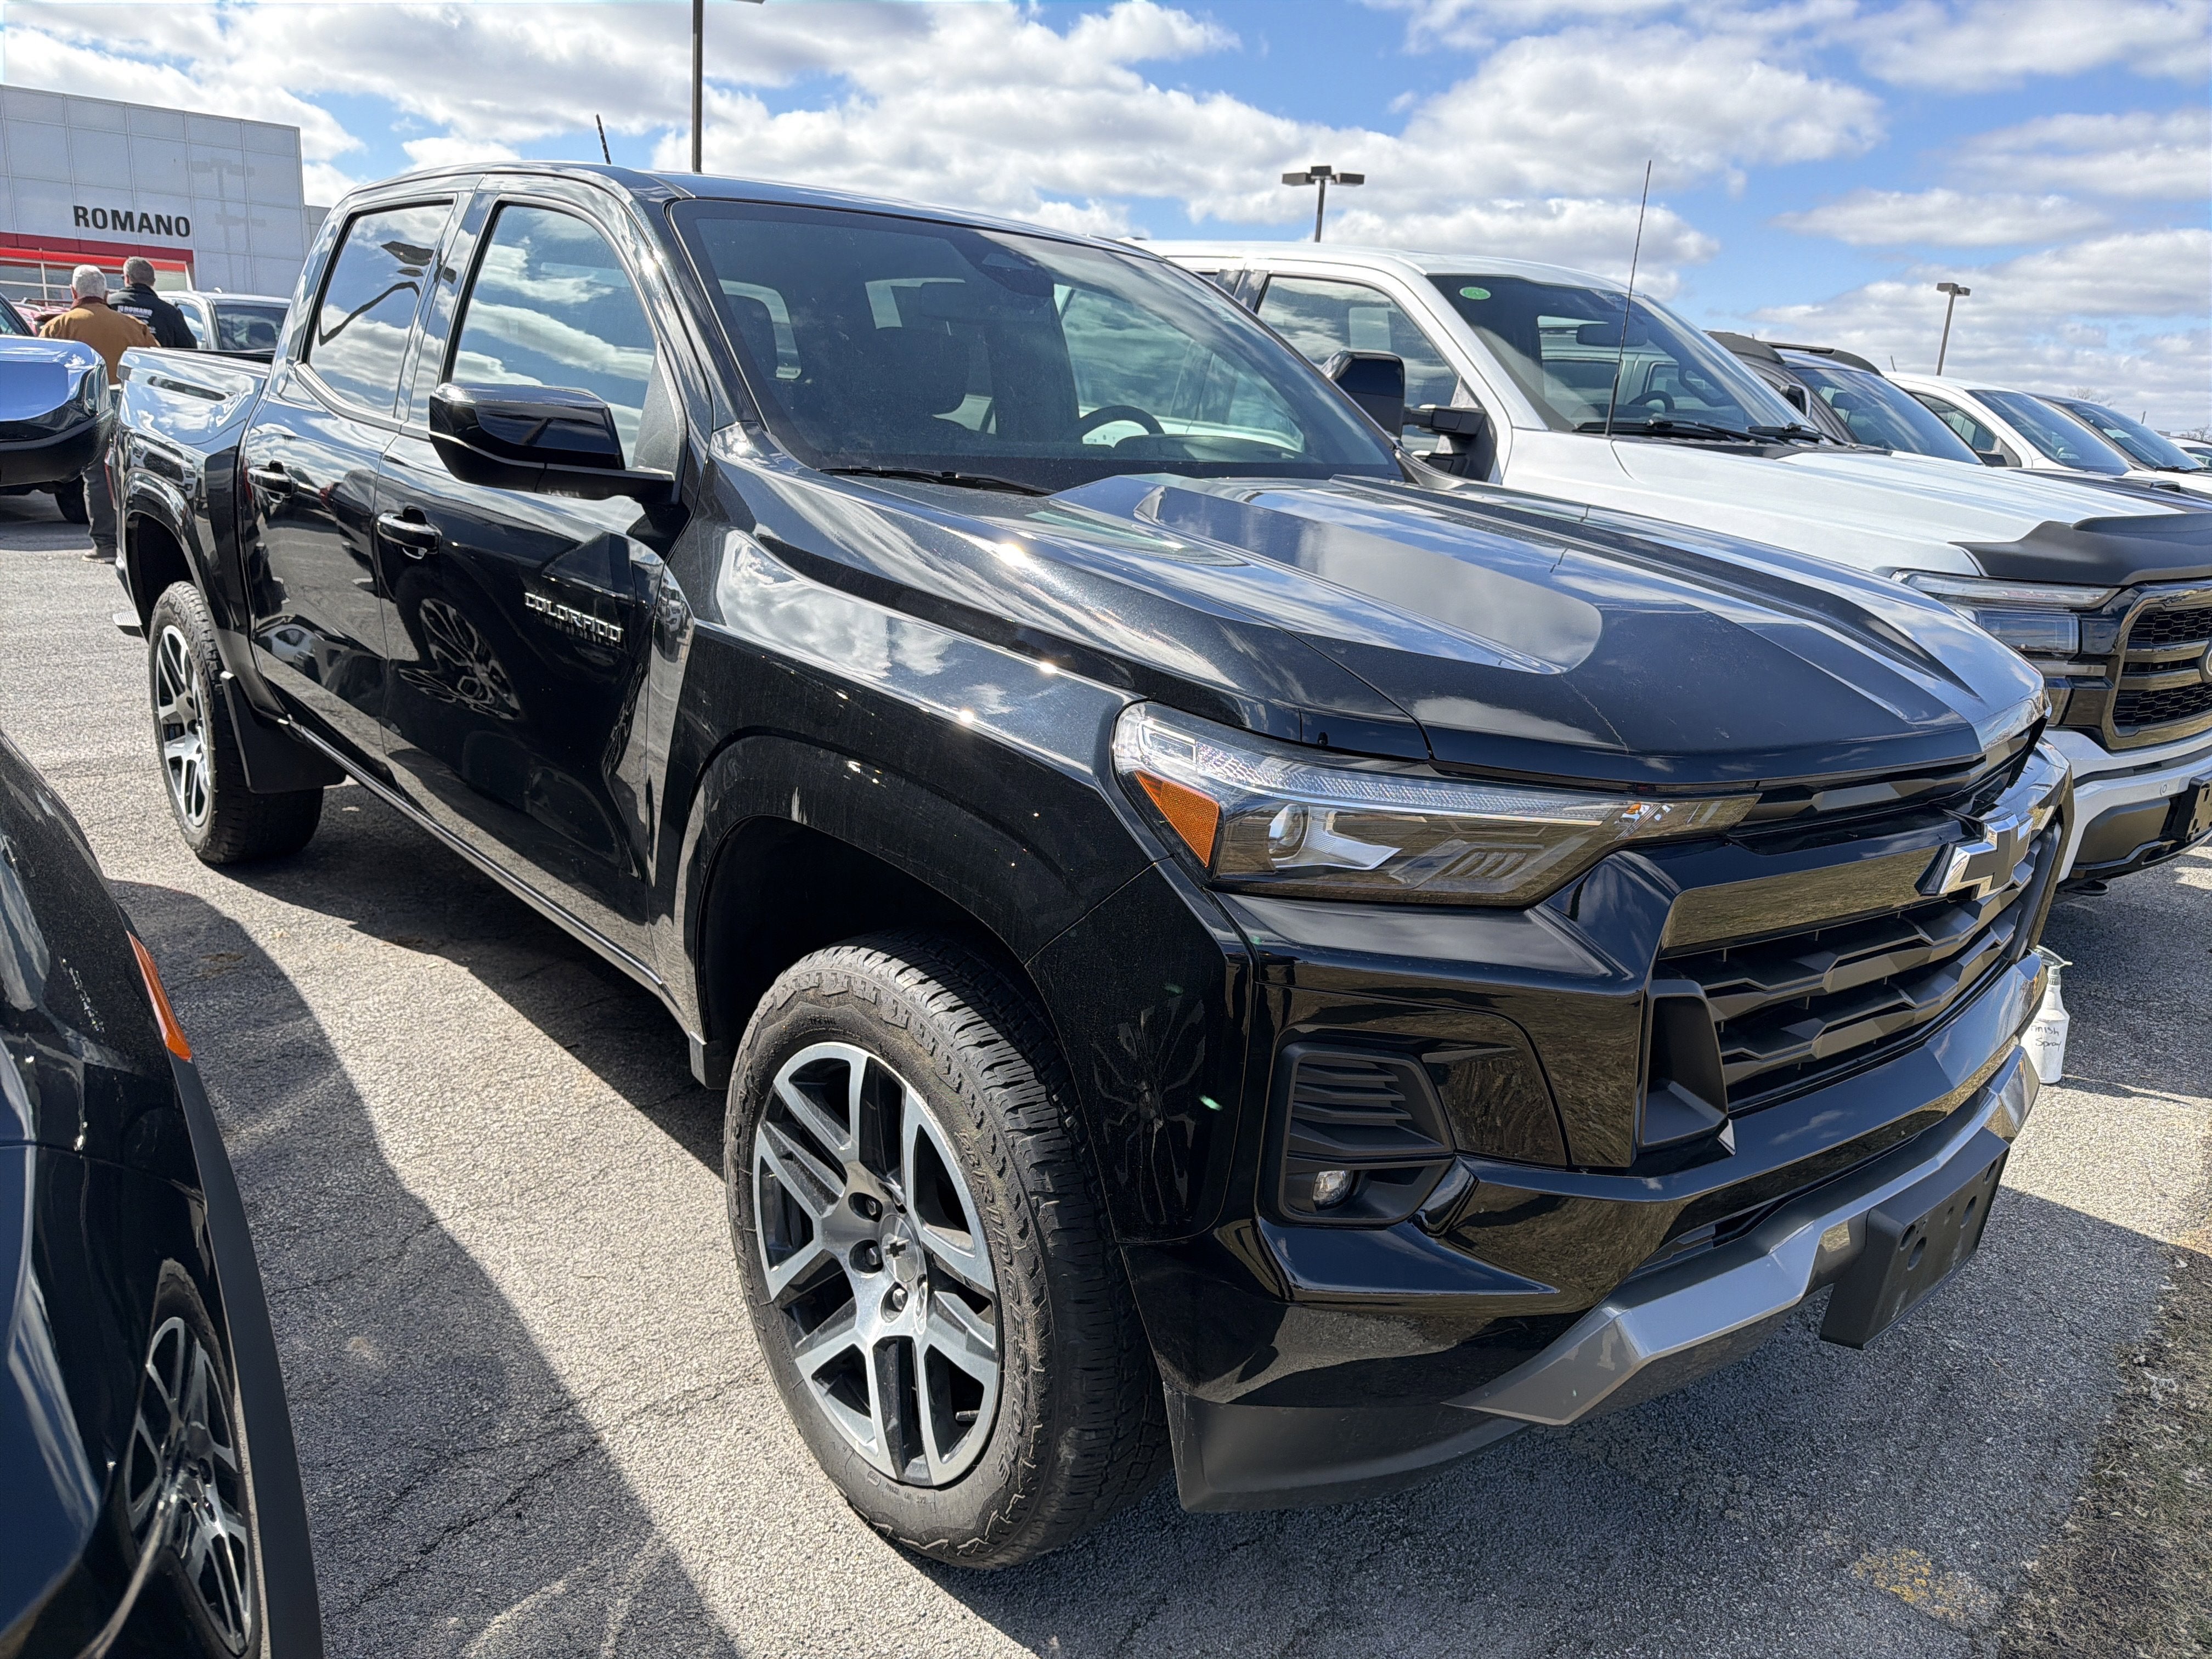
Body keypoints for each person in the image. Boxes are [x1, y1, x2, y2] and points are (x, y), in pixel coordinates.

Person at [38, 266, 154, 564]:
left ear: (73, 292)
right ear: (106, 293)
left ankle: (105, 544)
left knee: (97, 476)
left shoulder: (58, 328)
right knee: (131, 474)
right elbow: (155, 367)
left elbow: (44, 377)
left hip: (88, 413)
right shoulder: (133, 326)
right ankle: (136, 545)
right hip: (131, 411)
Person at [112, 257, 196, 349]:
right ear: (153, 282)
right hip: (157, 359)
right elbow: (190, 349)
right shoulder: (170, 313)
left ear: (127, 279)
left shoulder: (109, 304)